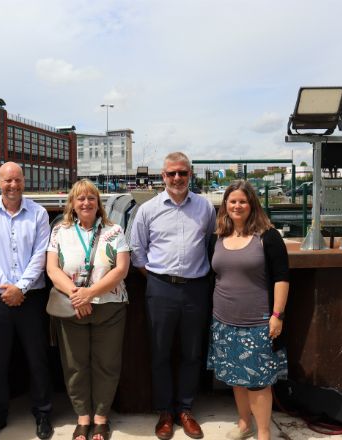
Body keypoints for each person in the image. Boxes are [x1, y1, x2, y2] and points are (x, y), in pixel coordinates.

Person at [130, 152, 216, 440]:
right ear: (162, 177)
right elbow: (137, 253)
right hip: (160, 287)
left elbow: (210, 243)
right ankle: (165, 412)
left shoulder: (205, 208)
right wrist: (158, 280)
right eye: (171, 174)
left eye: (182, 173)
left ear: (190, 175)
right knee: (160, 352)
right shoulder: (148, 210)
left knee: (193, 352)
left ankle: (186, 410)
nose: (177, 178)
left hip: (195, 288)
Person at [0, 162, 54, 440]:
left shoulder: (38, 213)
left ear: (24, 181)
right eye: (7, 181)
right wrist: (6, 288)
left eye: (17, 180)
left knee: (37, 357)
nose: (13, 186)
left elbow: (41, 254)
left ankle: (43, 412)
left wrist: (20, 287)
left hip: (31, 297)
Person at [46, 179, 130, 440]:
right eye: (80, 198)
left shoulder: (114, 230)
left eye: (91, 198)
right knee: (75, 365)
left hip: (110, 308)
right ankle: (83, 417)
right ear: (72, 203)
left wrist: (89, 294)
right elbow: (51, 268)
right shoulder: (60, 230)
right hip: (71, 308)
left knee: (107, 364)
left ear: (98, 203)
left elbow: (121, 269)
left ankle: (101, 417)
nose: (85, 203)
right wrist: (77, 296)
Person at [206, 181, 289, 440]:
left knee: (258, 382)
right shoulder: (217, 237)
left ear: (252, 204)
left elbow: (282, 278)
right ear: (225, 206)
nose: (237, 206)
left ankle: (264, 433)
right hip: (223, 321)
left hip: (258, 323)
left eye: (242, 201)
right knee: (235, 376)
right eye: (232, 201)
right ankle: (244, 424)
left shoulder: (268, 236)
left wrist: (277, 316)